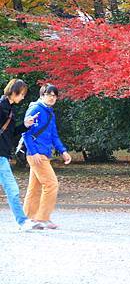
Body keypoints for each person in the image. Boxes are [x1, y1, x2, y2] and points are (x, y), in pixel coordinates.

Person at [22, 83, 72, 230]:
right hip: (37, 154)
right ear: (42, 95)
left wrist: (63, 151)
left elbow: (54, 135)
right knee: (51, 184)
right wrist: (33, 152)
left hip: (43, 153)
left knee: (35, 187)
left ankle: (29, 219)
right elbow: (26, 133)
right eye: (48, 94)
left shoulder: (49, 112)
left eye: (54, 95)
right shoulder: (36, 109)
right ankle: (42, 218)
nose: (52, 97)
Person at [0, 79, 39, 230]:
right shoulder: (2, 107)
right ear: (14, 92)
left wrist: (25, 125)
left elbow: (11, 134)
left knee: (12, 189)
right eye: (22, 94)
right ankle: (22, 222)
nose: (23, 97)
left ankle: (23, 221)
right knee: (12, 189)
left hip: (3, 154)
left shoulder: (8, 108)